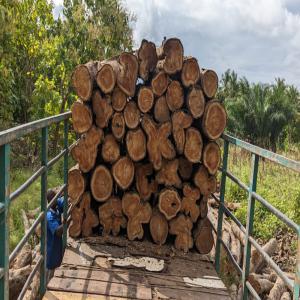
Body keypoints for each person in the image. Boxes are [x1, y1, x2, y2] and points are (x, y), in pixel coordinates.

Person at [46, 188, 65, 282]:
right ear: (50, 201)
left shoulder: (56, 208)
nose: (57, 199)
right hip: (51, 253)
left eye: (57, 197)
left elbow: (63, 202)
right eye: (55, 198)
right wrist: (66, 223)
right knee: (50, 277)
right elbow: (58, 232)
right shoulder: (49, 216)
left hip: (57, 249)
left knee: (56, 272)